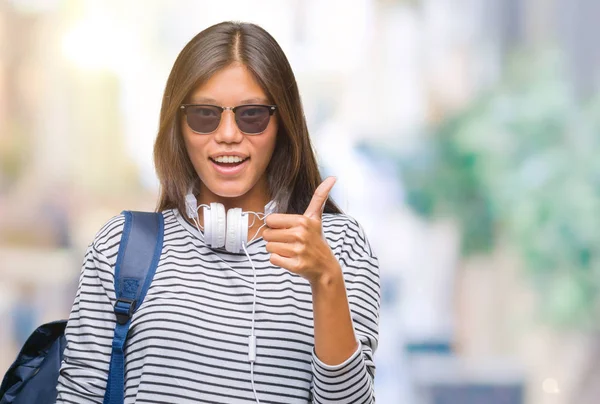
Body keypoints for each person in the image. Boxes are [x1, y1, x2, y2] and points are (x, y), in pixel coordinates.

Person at [56, 21, 380, 404]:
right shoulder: (121, 246)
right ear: (178, 125)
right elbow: (78, 396)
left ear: (283, 124)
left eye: (252, 115)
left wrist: (325, 280)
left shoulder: (339, 246)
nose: (227, 133)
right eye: (205, 114)